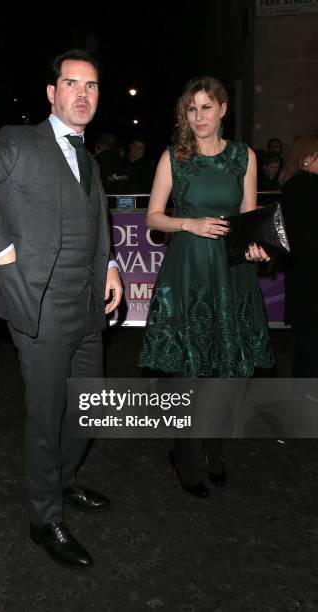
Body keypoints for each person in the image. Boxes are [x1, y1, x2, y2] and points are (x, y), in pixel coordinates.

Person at [0, 49, 122, 569]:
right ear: (51, 92)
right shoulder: (18, 142)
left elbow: (97, 221)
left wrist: (109, 266)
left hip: (88, 304)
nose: (83, 94)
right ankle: (44, 516)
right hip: (40, 305)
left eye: (91, 86)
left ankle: (60, 483)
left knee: (88, 408)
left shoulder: (88, 157)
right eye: (72, 84)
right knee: (46, 417)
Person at [138, 76, 274, 497]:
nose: (198, 117)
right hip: (188, 267)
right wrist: (189, 224)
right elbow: (153, 218)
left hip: (229, 272)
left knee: (223, 366)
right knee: (185, 367)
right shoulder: (173, 157)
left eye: (206, 107)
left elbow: (249, 219)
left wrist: (255, 248)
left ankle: (213, 445)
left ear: (223, 110)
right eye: (191, 109)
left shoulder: (243, 157)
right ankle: (183, 452)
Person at [279, 133, 318, 377]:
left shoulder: (295, 187)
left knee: (307, 349)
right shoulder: (301, 188)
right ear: (306, 158)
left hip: (305, 280)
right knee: (309, 351)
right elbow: (306, 235)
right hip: (310, 280)